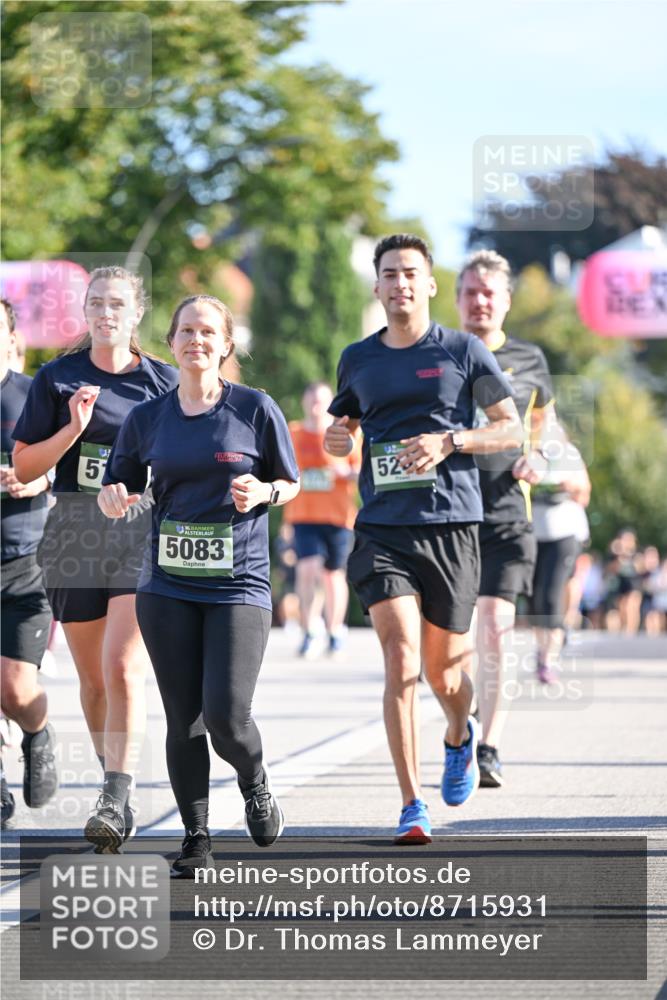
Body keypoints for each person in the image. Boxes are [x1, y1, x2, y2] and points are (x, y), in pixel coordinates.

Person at [325, 234, 521, 844]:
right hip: (383, 528)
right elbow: (345, 423)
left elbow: (509, 429)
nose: (400, 283)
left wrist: (450, 441)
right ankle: (412, 803)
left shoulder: (463, 351)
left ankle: (459, 735)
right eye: (389, 274)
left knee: (445, 675)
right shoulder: (358, 358)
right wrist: (338, 439)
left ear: (430, 284)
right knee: (402, 659)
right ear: (377, 286)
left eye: (411, 273)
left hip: (453, 529)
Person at [99, 294, 300, 872]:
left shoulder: (255, 408)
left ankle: (255, 781)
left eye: (208, 331)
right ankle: (197, 838)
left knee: (226, 716)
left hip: (239, 583)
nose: (196, 340)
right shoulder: (148, 418)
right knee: (181, 714)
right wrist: (115, 498)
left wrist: (265, 492)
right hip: (166, 585)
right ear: (172, 342)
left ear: (226, 344)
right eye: (186, 330)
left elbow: (290, 482)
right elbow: (120, 486)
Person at [12, 266, 179, 848]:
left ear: (136, 314)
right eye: (96, 304)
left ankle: (115, 795)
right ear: (85, 313)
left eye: (117, 304)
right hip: (73, 533)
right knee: (92, 680)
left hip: (138, 534)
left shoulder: (163, 382)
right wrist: (73, 430)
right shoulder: (57, 379)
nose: (105, 313)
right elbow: (27, 466)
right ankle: (115, 781)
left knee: (123, 666)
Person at [455, 250, 556, 790]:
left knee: (496, 627)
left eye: (489, 292)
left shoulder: (529, 358)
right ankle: (462, 722)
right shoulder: (443, 354)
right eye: (471, 291)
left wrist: (539, 457)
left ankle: (489, 746)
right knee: (453, 646)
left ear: (506, 300)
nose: (480, 301)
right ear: (457, 299)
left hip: (507, 516)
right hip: (448, 516)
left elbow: (545, 428)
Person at [1, 298, 57, 828]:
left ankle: (38, 734)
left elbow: (74, 460)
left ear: (11, 339)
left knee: (14, 688)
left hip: (26, 563)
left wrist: (38, 478)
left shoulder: (31, 396)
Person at [283, 381, 360, 659]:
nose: (317, 407)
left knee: (332, 574)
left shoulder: (345, 434)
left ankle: (335, 629)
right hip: (303, 515)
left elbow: (362, 471)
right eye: (312, 400)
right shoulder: (293, 433)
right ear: (304, 402)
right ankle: (308, 630)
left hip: (338, 516)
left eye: (322, 401)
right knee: (307, 569)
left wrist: (345, 472)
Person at [529, 427, 591, 683]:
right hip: (534, 531)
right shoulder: (529, 452)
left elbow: (584, 491)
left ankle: (547, 658)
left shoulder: (570, 455)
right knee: (535, 596)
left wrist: (565, 484)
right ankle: (542, 646)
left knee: (553, 594)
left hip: (563, 531)